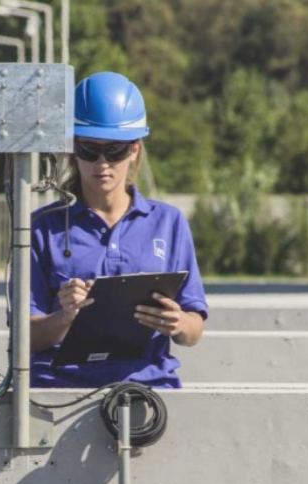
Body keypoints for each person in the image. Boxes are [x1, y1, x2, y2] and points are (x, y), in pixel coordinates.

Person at [29, 71, 208, 388]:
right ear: (72, 149)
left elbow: (194, 329)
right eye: (88, 150)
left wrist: (177, 323)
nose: (102, 163)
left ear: (135, 149)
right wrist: (66, 316)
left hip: (146, 389)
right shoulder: (43, 227)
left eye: (115, 151)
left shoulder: (168, 222)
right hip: (58, 390)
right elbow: (24, 338)